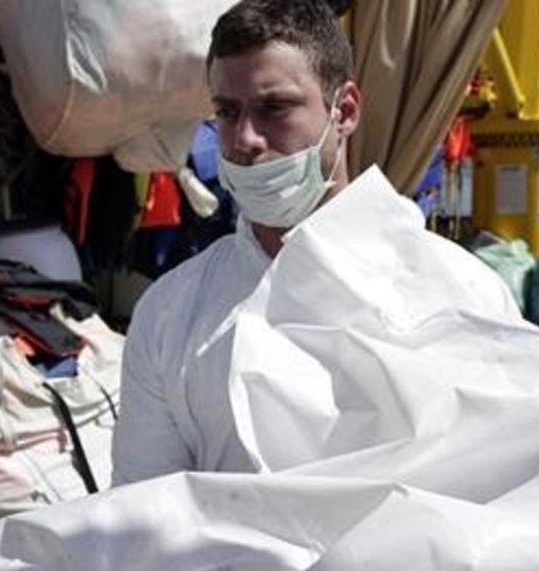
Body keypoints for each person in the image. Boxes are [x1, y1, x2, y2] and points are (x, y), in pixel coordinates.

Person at [111, 0, 362, 484]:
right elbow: (140, 510)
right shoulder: (172, 312)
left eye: (275, 108)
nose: (246, 138)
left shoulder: (446, 289)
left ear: (344, 111)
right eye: (227, 112)